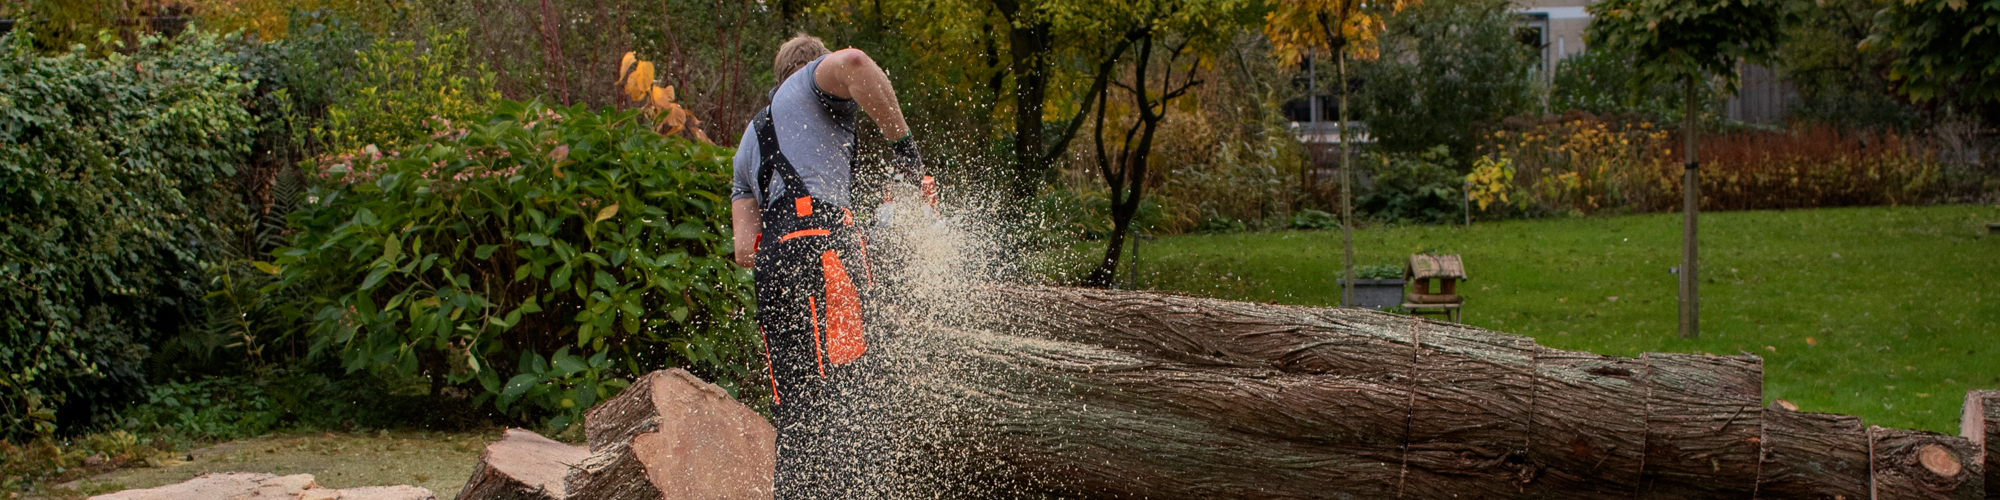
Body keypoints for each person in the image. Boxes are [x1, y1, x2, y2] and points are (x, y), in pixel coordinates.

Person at [728, 34, 933, 499]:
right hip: (826, 253)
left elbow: (745, 250)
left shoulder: (748, 140)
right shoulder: (813, 84)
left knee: (799, 412)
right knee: (852, 397)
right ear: (810, 69)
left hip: (774, 265)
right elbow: (857, 61)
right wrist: (906, 151)